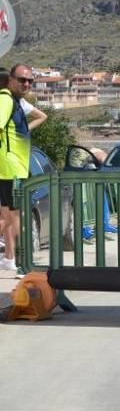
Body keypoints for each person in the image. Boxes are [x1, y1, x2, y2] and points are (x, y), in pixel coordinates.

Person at [0, 64, 44, 272]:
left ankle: (13, 261)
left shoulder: (17, 102)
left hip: (10, 169)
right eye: (21, 80)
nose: (26, 84)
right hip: (10, 169)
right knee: (17, 218)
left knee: (10, 218)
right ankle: (23, 264)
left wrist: (23, 132)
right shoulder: (6, 99)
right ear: (10, 79)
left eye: (29, 81)